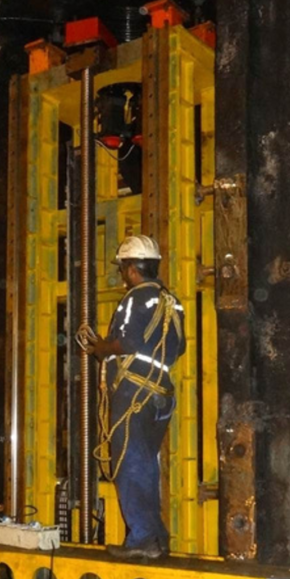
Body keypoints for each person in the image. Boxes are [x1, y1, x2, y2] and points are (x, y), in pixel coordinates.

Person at [84, 235, 186, 559]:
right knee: (146, 465)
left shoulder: (135, 298)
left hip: (135, 390)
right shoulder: (172, 302)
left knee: (129, 463)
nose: (123, 275)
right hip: (161, 392)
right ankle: (156, 538)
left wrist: (101, 349)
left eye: (123, 269)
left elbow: (126, 342)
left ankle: (142, 538)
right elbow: (179, 347)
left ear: (131, 269)